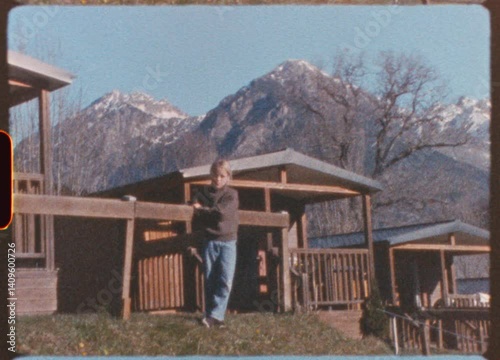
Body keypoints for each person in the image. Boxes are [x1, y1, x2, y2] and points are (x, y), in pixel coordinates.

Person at [192, 159, 239, 328]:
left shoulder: (231, 195)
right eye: (215, 175)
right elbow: (195, 201)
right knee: (210, 279)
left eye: (222, 176)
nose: (218, 179)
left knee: (225, 280)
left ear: (228, 177)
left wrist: (202, 210)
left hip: (228, 242)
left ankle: (215, 315)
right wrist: (196, 205)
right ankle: (213, 317)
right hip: (210, 241)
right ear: (210, 175)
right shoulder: (204, 192)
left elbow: (221, 213)